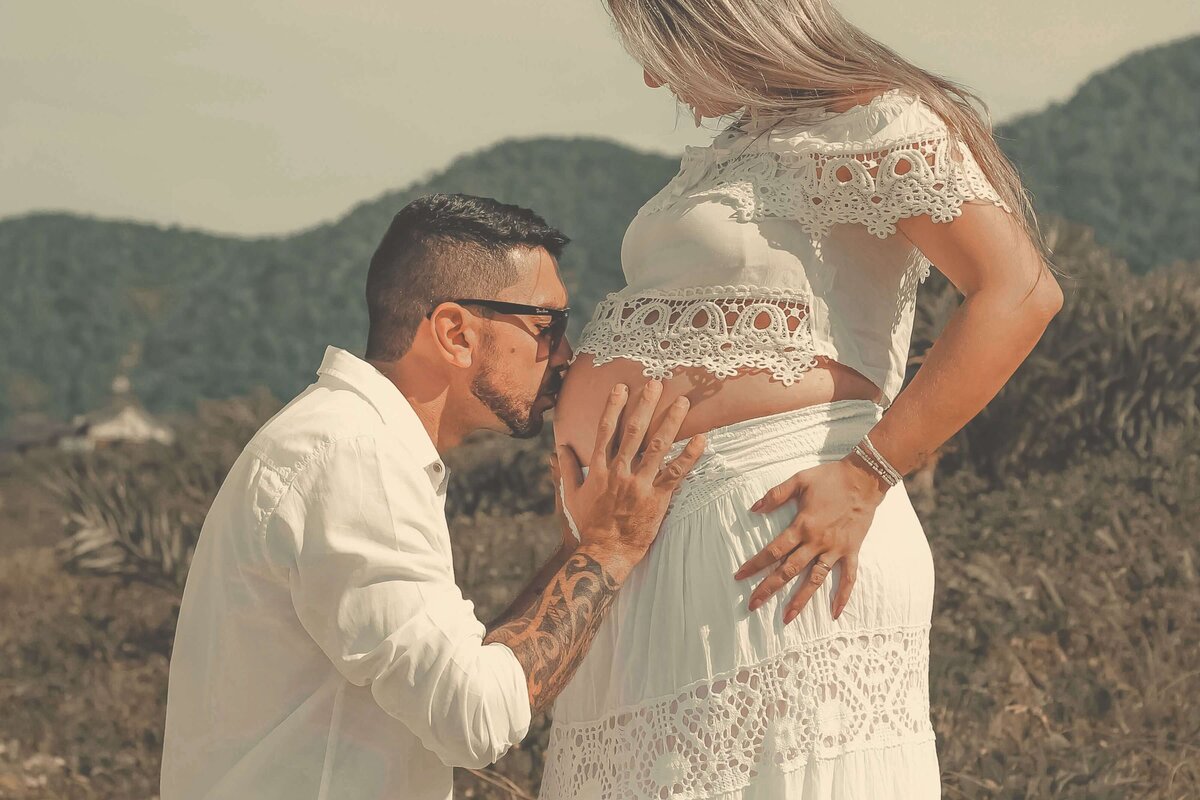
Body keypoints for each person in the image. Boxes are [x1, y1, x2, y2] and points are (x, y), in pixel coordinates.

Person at [540, 2, 1065, 798]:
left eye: (660, 48)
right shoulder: (735, 149)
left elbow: (1021, 294)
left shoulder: (876, 120)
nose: (653, 76)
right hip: (648, 553)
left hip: (779, 540)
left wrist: (867, 476)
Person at [159, 193, 707, 800]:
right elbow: (475, 717)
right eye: (545, 328)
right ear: (454, 333)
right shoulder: (351, 456)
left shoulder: (349, 443)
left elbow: (460, 667)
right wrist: (608, 549)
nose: (566, 356)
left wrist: (577, 551)